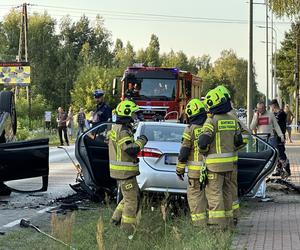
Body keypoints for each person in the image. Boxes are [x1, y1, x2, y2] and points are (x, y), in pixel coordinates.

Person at [198, 88, 244, 229]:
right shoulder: (232, 120)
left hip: (214, 167)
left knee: (214, 195)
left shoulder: (211, 121)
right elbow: (239, 142)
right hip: (230, 165)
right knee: (228, 193)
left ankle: (217, 228)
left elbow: (203, 142)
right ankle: (230, 224)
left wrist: (204, 151)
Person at [108, 100, 148, 234]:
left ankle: (115, 220)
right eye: (133, 114)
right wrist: (142, 141)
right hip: (125, 172)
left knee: (130, 196)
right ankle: (127, 231)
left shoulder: (116, 128)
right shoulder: (123, 131)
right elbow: (130, 150)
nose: (135, 117)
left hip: (123, 172)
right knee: (132, 201)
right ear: (126, 114)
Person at [214, 85, 248, 224]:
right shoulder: (229, 115)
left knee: (221, 191)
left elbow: (244, 135)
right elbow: (244, 135)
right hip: (231, 161)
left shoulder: (228, 115)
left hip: (221, 163)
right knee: (229, 190)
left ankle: (228, 219)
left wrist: (231, 146)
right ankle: (232, 218)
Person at [176, 99, 208, 226]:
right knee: (210, 197)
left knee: (195, 198)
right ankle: (214, 225)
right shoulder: (209, 125)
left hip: (195, 172)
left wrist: (179, 169)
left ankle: (199, 226)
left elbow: (184, 152)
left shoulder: (190, 129)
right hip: (210, 169)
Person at [270, 99, 291, 177]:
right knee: (277, 154)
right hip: (275, 136)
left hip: (280, 136)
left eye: (271, 106)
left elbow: (275, 124)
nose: (271, 108)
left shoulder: (281, 113)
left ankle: (287, 170)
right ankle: (279, 170)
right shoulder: (276, 114)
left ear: (274, 105)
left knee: (281, 154)